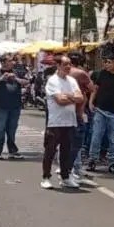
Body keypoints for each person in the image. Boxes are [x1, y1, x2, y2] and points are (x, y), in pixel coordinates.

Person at [41, 56, 84, 189]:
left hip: (70, 121)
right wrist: (72, 97)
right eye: (65, 64)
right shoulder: (53, 81)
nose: (68, 67)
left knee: (67, 151)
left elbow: (80, 98)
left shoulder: (72, 81)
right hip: (55, 122)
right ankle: (46, 177)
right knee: (50, 150)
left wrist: (68, 96)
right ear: (58, 65)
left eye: (69, 64)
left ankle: (65, 177)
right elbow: (59, 100)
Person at [88, 53, 114, 175]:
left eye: (109, 62)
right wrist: (91, 102)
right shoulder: (102, 74)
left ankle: (113, 163)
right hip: (100, 110)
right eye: (106, 62)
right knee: (96, 136)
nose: (107, 64)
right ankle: (92, 160)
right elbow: (96, 89)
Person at [0, 54, 26, 159]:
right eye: (9, 60)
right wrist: (1, 79)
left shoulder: (16, 72)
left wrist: (16, 79)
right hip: (1, 106)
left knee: (12, 129)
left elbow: (26, 82)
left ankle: (12, 150)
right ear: (3, 62)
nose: (12, 62)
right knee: (0, 129)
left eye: (12, 60)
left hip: (15, 105)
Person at [67, 52, 95, 181]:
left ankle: (68, 167)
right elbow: (92, 88)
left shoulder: (61, 73)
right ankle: (74, 169)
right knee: (77, 143)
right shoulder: (80, 73)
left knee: (66, 141)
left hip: (63, 112)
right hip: (77, 112)